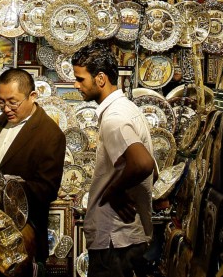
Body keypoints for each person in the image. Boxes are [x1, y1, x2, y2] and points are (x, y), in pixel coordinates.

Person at [71, 42, 157, 277]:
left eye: (80, 79)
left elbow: (143, 163)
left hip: (115, 240)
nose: (76, 85)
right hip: (121, 237)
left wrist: (113, 191)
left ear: (100, 78)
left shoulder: (114, 118)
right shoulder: (125, 109)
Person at [0, 68, 66, 272]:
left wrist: (12, 187)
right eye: (1, 101)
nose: (6, 108)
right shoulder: (2, 121)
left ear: (32, 96)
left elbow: (47, 189)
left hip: (23, 234)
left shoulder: (50, 134)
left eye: (13, 102)